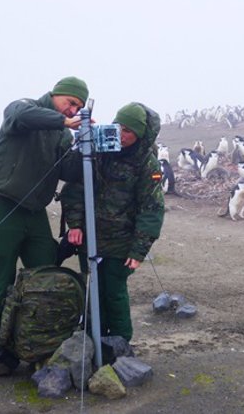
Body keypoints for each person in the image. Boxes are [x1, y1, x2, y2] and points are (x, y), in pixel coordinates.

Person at [0, 76, 88, 374]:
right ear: (57, 94)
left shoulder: (62, 134)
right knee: (2, 279)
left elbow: (69, 170)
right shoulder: (24, 108)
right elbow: (20, 117)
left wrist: (87, 147)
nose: (72, 109)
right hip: (3, 205)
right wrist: (65, 123)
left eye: (78, 106)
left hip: (34, 212)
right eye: (71, 103)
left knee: (47, 272)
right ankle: (0, 351)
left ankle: (41, 344)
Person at [59, 102, 165, 344]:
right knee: (91, 291)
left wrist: (139, 250)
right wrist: (75, 225)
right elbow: (74, 188)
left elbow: (152, 208)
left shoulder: (147, 163)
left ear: (140, 134)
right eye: (119, 126)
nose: (122, 134)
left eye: (129, 130)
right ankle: (91, 340)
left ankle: (119, 344)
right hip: (90, 236)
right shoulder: (97, 150)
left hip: (121, 241)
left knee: (114, 292)